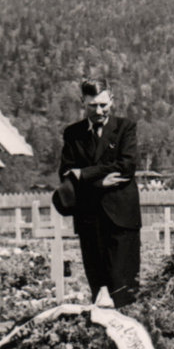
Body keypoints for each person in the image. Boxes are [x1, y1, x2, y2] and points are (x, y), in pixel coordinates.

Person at [56, 78, 141, 308]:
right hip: (89, 221)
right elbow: (65, 175)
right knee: (98, 289)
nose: (99, 110)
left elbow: (126, 167)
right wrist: (99, 183)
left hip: (122, 221)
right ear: (82, 102)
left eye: (103, 104)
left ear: (112, 101)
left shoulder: (125, 128)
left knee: (125, 291)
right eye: (92, 105)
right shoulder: (73, 134)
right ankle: (102, 340)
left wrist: (83, 174)